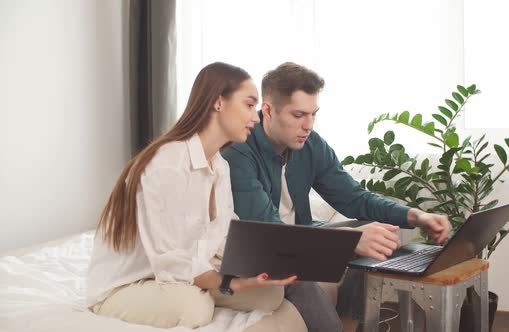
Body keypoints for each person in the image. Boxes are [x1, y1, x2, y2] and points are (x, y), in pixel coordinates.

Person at [221, 62, 451, 332]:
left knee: (375, 233)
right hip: (263, 251)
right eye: (298, 115)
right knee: (298, 275)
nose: (307, 125)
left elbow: (354, 198)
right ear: (268, 110)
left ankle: (349, 325)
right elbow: (271, 237)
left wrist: (414, 216)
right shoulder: (239, 152)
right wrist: (349, 242)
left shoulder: (310, 144)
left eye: (313, 115)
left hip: (301, 237)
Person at [86, 62, 297, 329]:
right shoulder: (167, 163)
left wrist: (267, 260)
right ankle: (194, 291)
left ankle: (197, 287)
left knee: (269, 294)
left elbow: (223, 236)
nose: (256, 117)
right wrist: (227, 282)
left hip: (175, 273)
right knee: (196, 308)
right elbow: (170, 258)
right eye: (248, 104)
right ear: (218, 102)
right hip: (128, 283)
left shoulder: (220, 166)